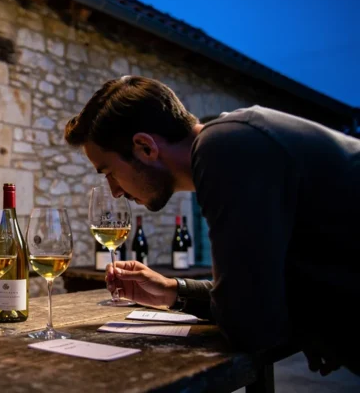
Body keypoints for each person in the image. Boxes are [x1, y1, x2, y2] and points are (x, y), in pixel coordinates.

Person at [64, 75, 360, 376]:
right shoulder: (235, 139)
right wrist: (173, 291)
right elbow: (256, 299)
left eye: (109, 172)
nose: (114, 190)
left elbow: (251, 325)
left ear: (145, 147)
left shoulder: (225, 148)